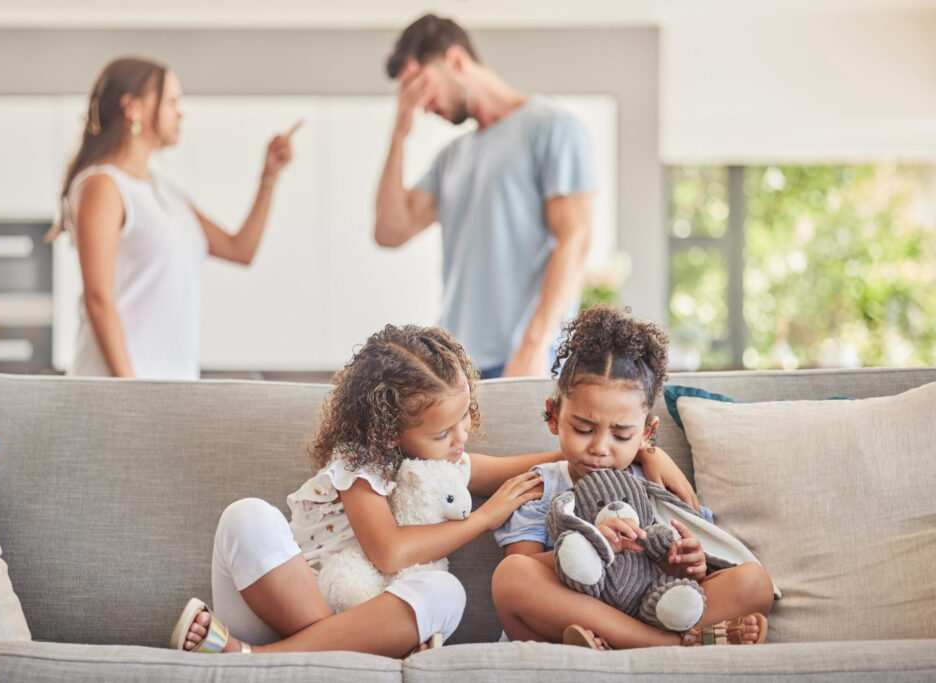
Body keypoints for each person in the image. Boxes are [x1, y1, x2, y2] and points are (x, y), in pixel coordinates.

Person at [168, 324, 695, 657]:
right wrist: (483, 520)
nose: (460, 439)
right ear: (388, 432)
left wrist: (644, 452)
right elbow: (390, 550)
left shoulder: (449, 462)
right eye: (442, 433)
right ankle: (292, 654)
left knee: (447, 594)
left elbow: (549, 459)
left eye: (464, 420)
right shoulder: (362, 462)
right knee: (246, 517)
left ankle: (265, 659)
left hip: (360, 617)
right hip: (298, 598)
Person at [491, 306, 775, 650]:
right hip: (578, 620)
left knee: (754, 581)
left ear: (646, 434)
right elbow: (523, 565)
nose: (599, 448)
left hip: (653, 607)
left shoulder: (656, 487)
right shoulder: (543, 487)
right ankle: (669, 644)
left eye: (621, 435)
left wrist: (690, 566)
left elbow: (690, 575)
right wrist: (595, 544)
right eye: (583, 428)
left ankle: (638, 641)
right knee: (511, 578)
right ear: (554, 417)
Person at [375, 14, 596, 379]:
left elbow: (575, 239)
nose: (422, 105)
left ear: (456, 61)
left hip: (526, 361)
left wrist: (534, 345)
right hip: (455, 367)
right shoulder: (452, 156)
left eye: (422, 86)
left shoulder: (551, 126)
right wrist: (399, 133)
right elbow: (390, 230)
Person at [49, 56, 299, 379]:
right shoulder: (103, 185)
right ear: (133, 108)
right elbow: (99, 298)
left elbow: (241, 250)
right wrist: (132, 391)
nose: (181, 112)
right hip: (114, 391)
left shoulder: (170, 197)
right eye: (171, 101)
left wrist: (269, 178)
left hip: (170, 388)